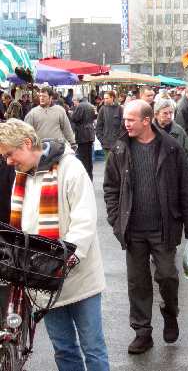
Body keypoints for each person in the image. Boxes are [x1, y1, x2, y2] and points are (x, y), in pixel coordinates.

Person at [0, 119, 109, 370]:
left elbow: (85, 221)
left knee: (93, 347)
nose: (7, 161)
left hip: (78, 277)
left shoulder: (71, 168)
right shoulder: (20, 176)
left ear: (27, 144)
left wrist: (65, 260)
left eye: (10, 154)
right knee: (64, 349)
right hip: (43, 282)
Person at [104, 100, 188, 355]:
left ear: (146, 120)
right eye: (125, 119)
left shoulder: (171, 147)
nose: (126, 124)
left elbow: (185, 191)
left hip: (163, 228)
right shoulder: (120, 148)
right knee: (138, 283)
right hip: (133, 230)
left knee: (167, 276)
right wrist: (116, 220)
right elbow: (111, 188)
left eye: (131, 120)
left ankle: (170, 313)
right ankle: (142, 332)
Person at [154, 98, 188, 169]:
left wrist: (183, 171)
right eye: (165, 113)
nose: (169, 116)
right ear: (156, 114)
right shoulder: (149, 131)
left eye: (171, 112)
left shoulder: (179, 130)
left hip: (174, 175)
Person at [71, 97, 96, 180]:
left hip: (82, 134)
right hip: (90, 133)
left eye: (74, 100)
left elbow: (75, 118)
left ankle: (85, 177)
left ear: (78, 100)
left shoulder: (80, 106)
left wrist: (72, 114)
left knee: (83, 157)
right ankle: (90, 176)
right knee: (89, 158)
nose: (74, 102)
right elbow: (94, 117)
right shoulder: (90, 105)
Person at [96, 90, 123, 159]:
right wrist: (102, 140)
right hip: (106, 144)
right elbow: (98, 126)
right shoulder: (102, 109)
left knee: (118, 165)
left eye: (107, 98)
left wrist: (120, 139)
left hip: (117, 143)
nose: (105, 100)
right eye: (104, 98)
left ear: (112, 98)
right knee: (108, 166)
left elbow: (122, 126)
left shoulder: (119, 109)